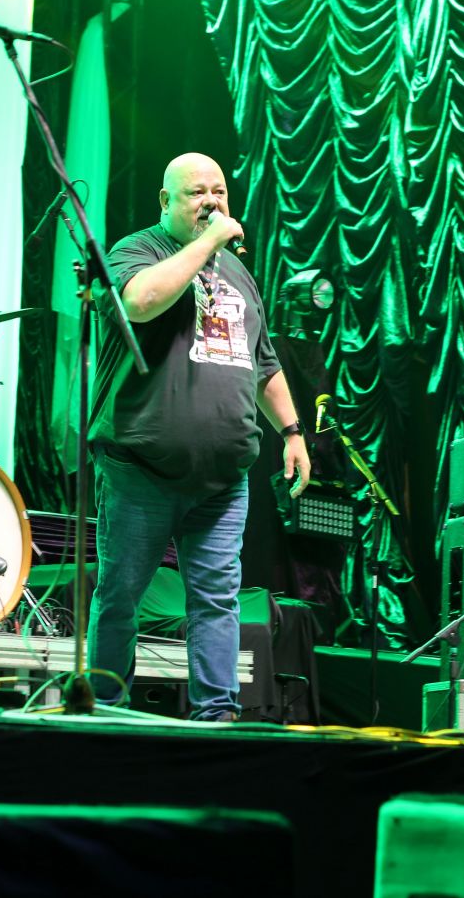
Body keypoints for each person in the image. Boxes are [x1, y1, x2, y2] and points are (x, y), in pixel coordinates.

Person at [89, 152, 311, 721]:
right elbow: (140, 303)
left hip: (222, 478)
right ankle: (105, 709)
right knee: (120, 597)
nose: (211, 201)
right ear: (166, 201)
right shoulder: (136, 251)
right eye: (196, 193)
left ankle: (217, 715)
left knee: (216, 600)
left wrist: (291, 431)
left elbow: (263, 363)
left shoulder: (238, 273)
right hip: (140, 468)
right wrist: (209, 242)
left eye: (219, 191)